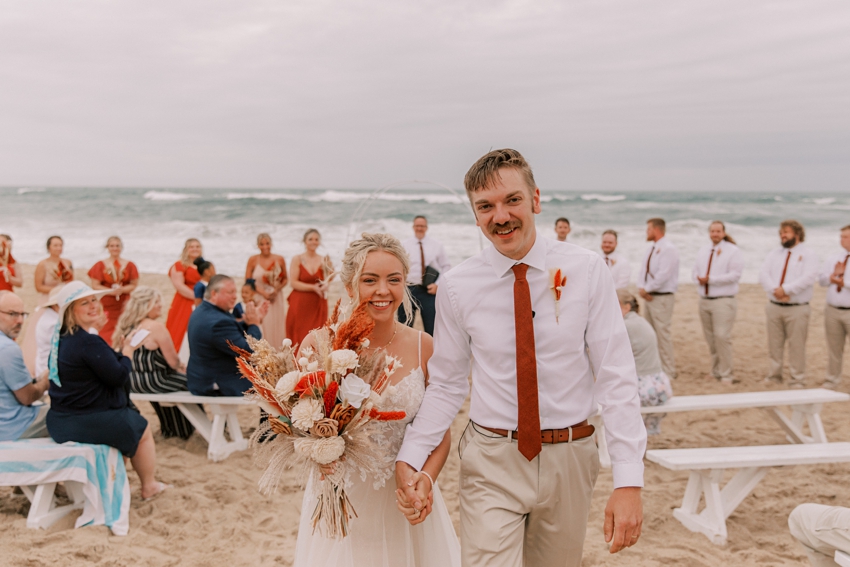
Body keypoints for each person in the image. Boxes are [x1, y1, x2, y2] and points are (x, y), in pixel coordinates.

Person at [396, 149, 646, 567]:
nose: (500, 216)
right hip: (491, 457)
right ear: (475, 215)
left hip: (571, 454)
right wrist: (412, 456)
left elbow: (616, 375)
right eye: (485, 206)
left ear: (535, 199)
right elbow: (447, 383)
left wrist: (629, 481)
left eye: (512, 200)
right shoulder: (458, 286)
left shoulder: (587, 270)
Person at [294, 233, 460, 566]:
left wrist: (425, 481)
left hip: (404, 497)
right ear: (350, 285)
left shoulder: (424, 347)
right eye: (370, 280)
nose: (383, 290)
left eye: (394, 280)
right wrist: (317, 452)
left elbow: (440, 433)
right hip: (342, 499)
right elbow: (297, 427)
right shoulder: (318, 346)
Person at [45, 282, 168, 500]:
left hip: (60, 421)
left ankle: (114, 484)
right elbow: (119, 376)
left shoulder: (63, 340)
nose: (93, 305)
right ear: (72, 311)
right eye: (85, 302)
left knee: (124, 424)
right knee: (141, 428)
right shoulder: (88, 342)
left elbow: (100, 366)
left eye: (94, 300)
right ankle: (149, 486)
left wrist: (119, 352)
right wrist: (128, 351)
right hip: (85, 421)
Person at [114, 287, 195, 439]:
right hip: (156, 380)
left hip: (134, 382)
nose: (160, 305)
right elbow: (173, 362)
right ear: (146, 305)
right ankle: (185, 429)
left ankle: (169, 428)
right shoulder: (156, 328)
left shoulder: (125, 327)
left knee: (170, 389)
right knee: (195, 383)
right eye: (156, 302)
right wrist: (182, 367)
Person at [759, 220, 819, 388]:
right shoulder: (774, 254)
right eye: (781, 232)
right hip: (774, 305)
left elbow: (808, 278)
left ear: (797, 234)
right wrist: (775, 290)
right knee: (774, 343)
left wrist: (786, 290)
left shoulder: (809, 254)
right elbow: (763, 274)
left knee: (797, 344)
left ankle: (797, 378)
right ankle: (774, 375)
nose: (782, 235)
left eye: (786, 232)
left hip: (797, 308)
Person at [186, 275, 267, 396]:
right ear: (214, 294)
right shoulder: (218, 322)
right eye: (230, 292)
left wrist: (249, 322)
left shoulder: (203, 310)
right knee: (271, 383)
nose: (235, 296)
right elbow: (249, 351)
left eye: (235, 292)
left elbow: (231, 334)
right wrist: (255, 324)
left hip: (200, 378)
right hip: (217, 383)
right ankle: (268, 416)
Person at [692, 221, 744, 384]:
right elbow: (695, 271)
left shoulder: (733, 251)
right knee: (711, 338)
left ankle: (727, 373)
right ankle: (715, 371)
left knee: (722, 336)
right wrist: (698, 279)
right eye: (712, 231)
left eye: (718, 231)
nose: (715, 234)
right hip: (705, 300)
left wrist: (711, 280)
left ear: (723, 232)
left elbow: (735, 275)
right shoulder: (703, 250)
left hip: (723, 300)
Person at [616, 289, 673, 435]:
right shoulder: (640, 321)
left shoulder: (626, 326)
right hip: (660, 385)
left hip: (645, 389)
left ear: (626, 307)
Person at [21, 235, 75, 373]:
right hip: (49, 299)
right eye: (55, 245)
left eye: (60, 245)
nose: (58, 248)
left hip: (64, 299)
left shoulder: (67, 262)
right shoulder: (43, 264)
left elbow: (72, 281)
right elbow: (38, 286)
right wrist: (57, 290)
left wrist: (66, 289)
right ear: (48, 247)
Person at [0, 291, 49, 441]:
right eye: (13, 314)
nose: (20, 320)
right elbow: (27, 397)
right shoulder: (7, 348)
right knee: (70, 414)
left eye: (22, 314)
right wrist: (45, 382)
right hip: (12, 426)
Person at [638, 218, 680, 379]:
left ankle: (669, 371)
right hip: (649, 297)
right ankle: (656, 368)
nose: (646, 232)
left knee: (662, 334)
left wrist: (647, 288)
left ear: (656, 230)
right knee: (650, 334)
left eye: (648, 229)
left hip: (662, 297)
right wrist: (642, 288)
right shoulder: (651, 249)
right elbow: (644, 270)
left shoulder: (668, 249)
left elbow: (664, 275)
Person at [398, 216, 452, 336]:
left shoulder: (437, 245)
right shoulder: (404, 245)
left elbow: (446, 266)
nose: (419, 228)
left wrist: (438, 285)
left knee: (432, 328)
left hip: (428, 291)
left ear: (426, 228)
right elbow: (397, 266)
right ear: (413, 227)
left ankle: (433, 353)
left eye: (422, 226)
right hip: (408, 290)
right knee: (403, 327)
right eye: (417, 226)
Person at [87, 236, 139, 344]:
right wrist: (110, 291)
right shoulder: (100, 265)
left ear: (121, 247)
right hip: (106, 303)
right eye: (112, 246)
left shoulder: (129, 264)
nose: (115, 248)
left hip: (124, 302)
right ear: (108, 248)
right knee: (106, 331)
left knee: (123, 329)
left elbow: (134, 284)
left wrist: (122, 290)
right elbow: (95, 285)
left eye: (117, 246)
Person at [286, 229, 332, 347]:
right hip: (300, 302)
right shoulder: (297, 259)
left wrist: (327, 284)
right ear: (305, 241)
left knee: (317, 334)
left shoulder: (324, 259)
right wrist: (313, 288)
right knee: (299, 333)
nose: (313, 242)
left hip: (317, 302)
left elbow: (331, 276)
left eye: (316, 239)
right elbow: (293, 283)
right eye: (310, 239)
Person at [819, 225, 850, 389]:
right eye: (841, 236)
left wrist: (842, 282)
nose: (842, 240)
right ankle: (832, 380)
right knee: (834, 348)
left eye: (845, 237)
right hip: (833, 310)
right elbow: (822, 281)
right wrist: (832, 277)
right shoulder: (834, 258)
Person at [245, 233, 288, 347]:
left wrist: (276, 290)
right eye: (262, 244)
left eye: (267, 243)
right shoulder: (253, 260)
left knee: (276, 324)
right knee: (263, 323)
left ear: (271, 244)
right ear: (258, 245)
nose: (265, 246)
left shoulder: (279, 259)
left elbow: (285, 279)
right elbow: (248, 281)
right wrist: (264, 293)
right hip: (259, 296)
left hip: (275, 297)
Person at [165, 238, 202, 357]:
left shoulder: (203, 265)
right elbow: (179, 286)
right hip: (184, 301)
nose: (195, 249)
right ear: (186, 249)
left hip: (201, 301)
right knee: (180, 328)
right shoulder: (180, 265)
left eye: (197, 246)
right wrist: (197, 298)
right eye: (192, 247)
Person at [34, 284, 65, 379]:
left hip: (44, 367)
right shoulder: (53, 324)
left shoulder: (50, 317)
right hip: (49, 373)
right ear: (56, 305)